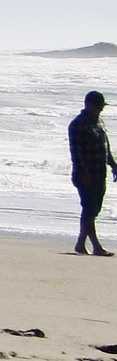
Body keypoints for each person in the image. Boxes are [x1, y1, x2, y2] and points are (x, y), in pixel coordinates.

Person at [69, 91, 116, 256]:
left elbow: (105, 147)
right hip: (85, 175)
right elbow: (76, 153)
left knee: (94, 209)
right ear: (89, 105)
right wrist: (84, 173)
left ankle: (81, 244)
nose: (101, 110)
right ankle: (96, 246)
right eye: (99, 106)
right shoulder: (77, 125)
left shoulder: (99, 122)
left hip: (99, 173)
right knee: (89, 209)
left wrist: (113, 165)